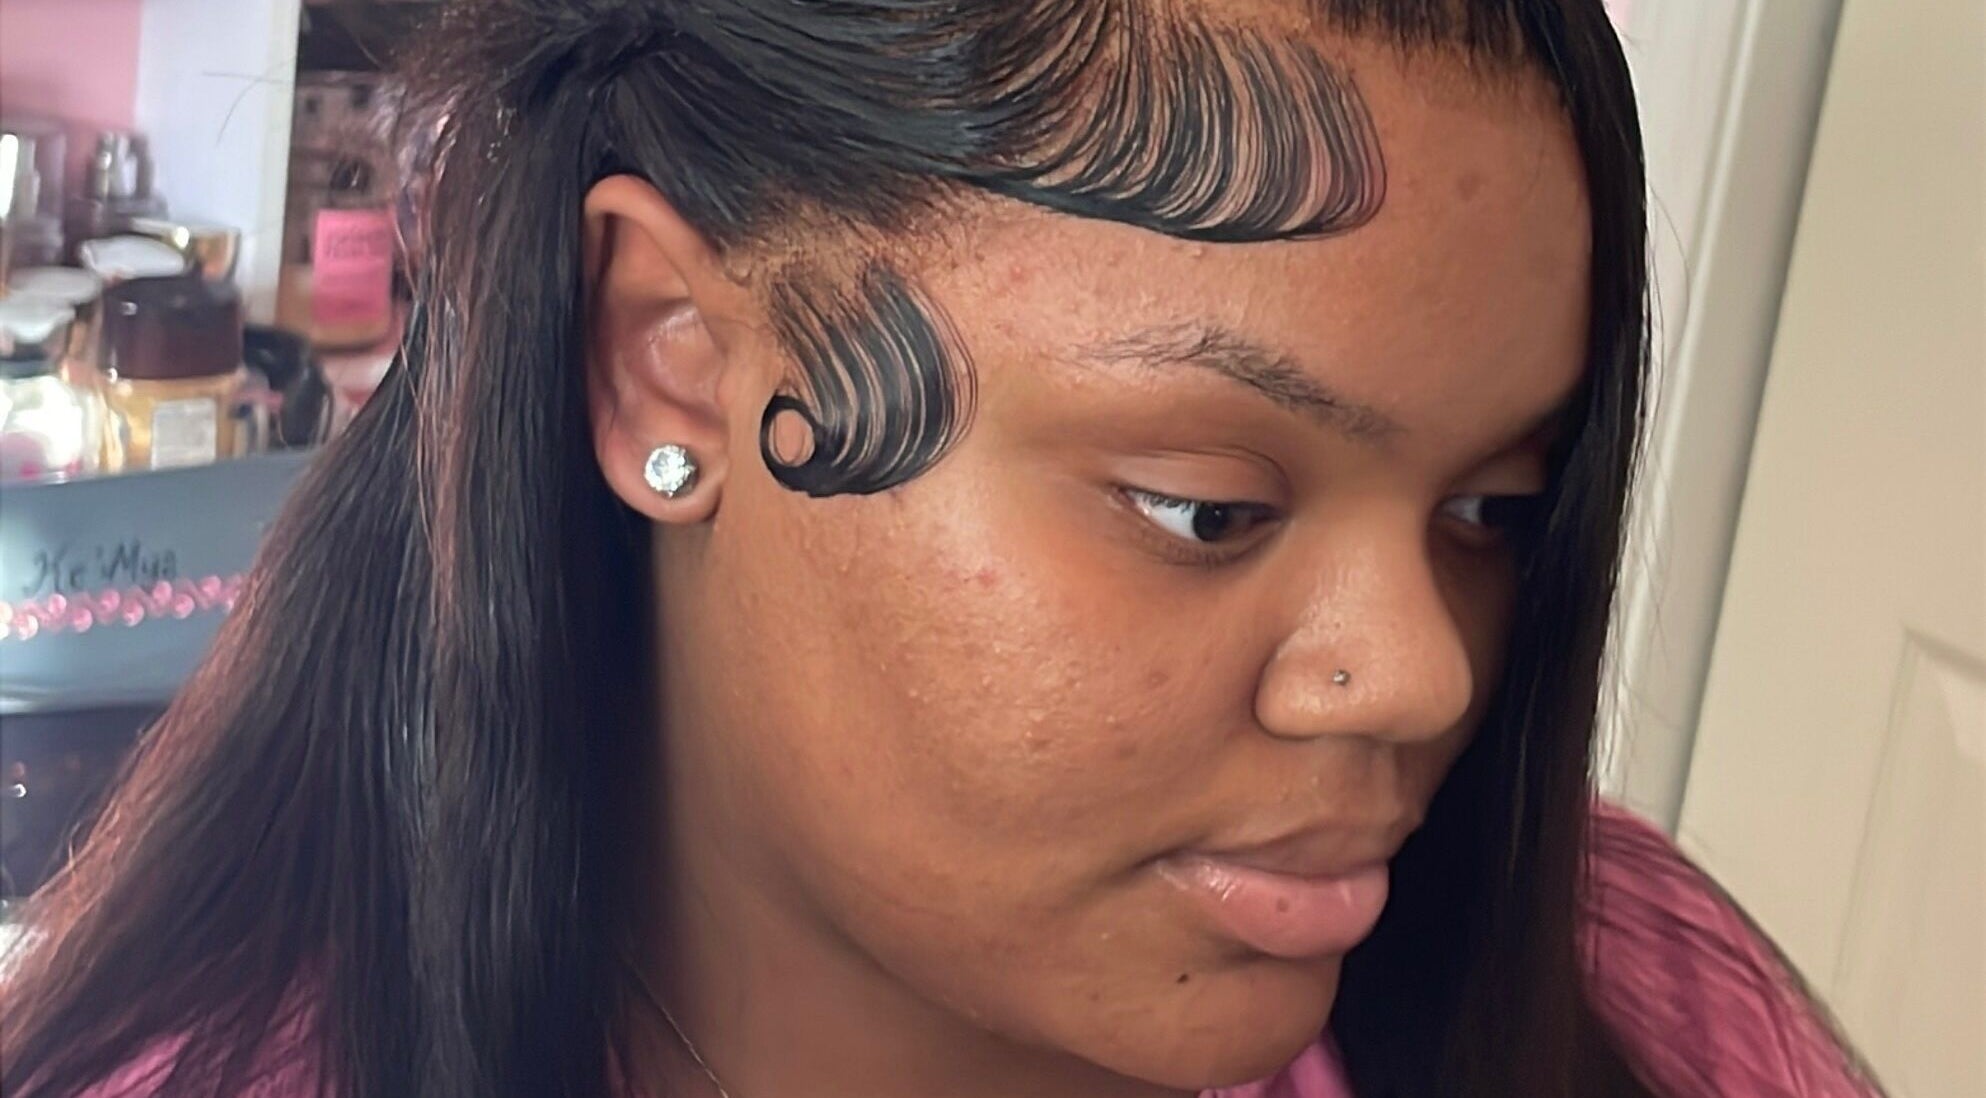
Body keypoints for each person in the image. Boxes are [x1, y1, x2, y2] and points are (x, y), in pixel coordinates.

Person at [1, 2, 1887, 1096]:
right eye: (1203, 504)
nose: (1422, 672)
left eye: (1490, 509)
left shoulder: (1625, 991)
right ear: (666, 358)